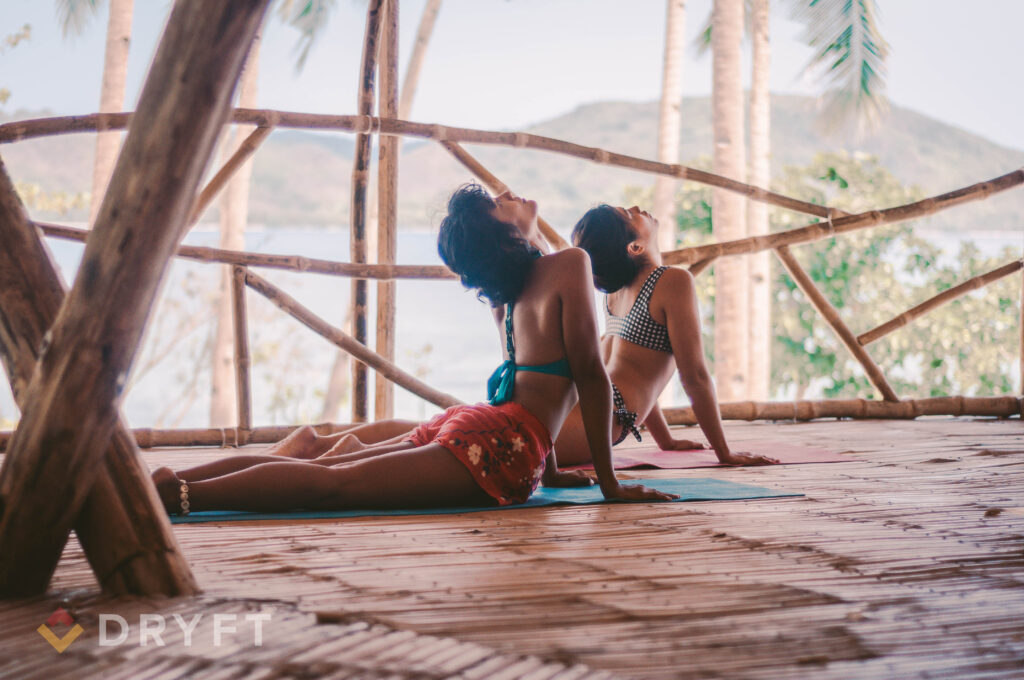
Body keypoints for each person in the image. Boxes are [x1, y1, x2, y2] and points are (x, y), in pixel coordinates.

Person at [151, 186, 675, 514]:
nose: (506, 194)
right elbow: (586, 373)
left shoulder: (511, 294)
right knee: (336, 484)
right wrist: (610, 486)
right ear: (502, 232)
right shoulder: (570, 266)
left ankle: (178, 482)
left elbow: (531, 385)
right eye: (497, 204)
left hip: (485, 425)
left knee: (336, 473)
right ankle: (184, 495)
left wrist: (555, 471)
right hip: (501, 445)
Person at [554, 204, 779, 467]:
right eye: (629, 215)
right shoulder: (672, 281)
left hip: (581, 411)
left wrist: (666, 441)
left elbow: (634, 373)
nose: (636, 207)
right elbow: (694, 376)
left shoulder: (615, 293)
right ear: (635, 247)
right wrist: (725, 453)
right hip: (590, 419)